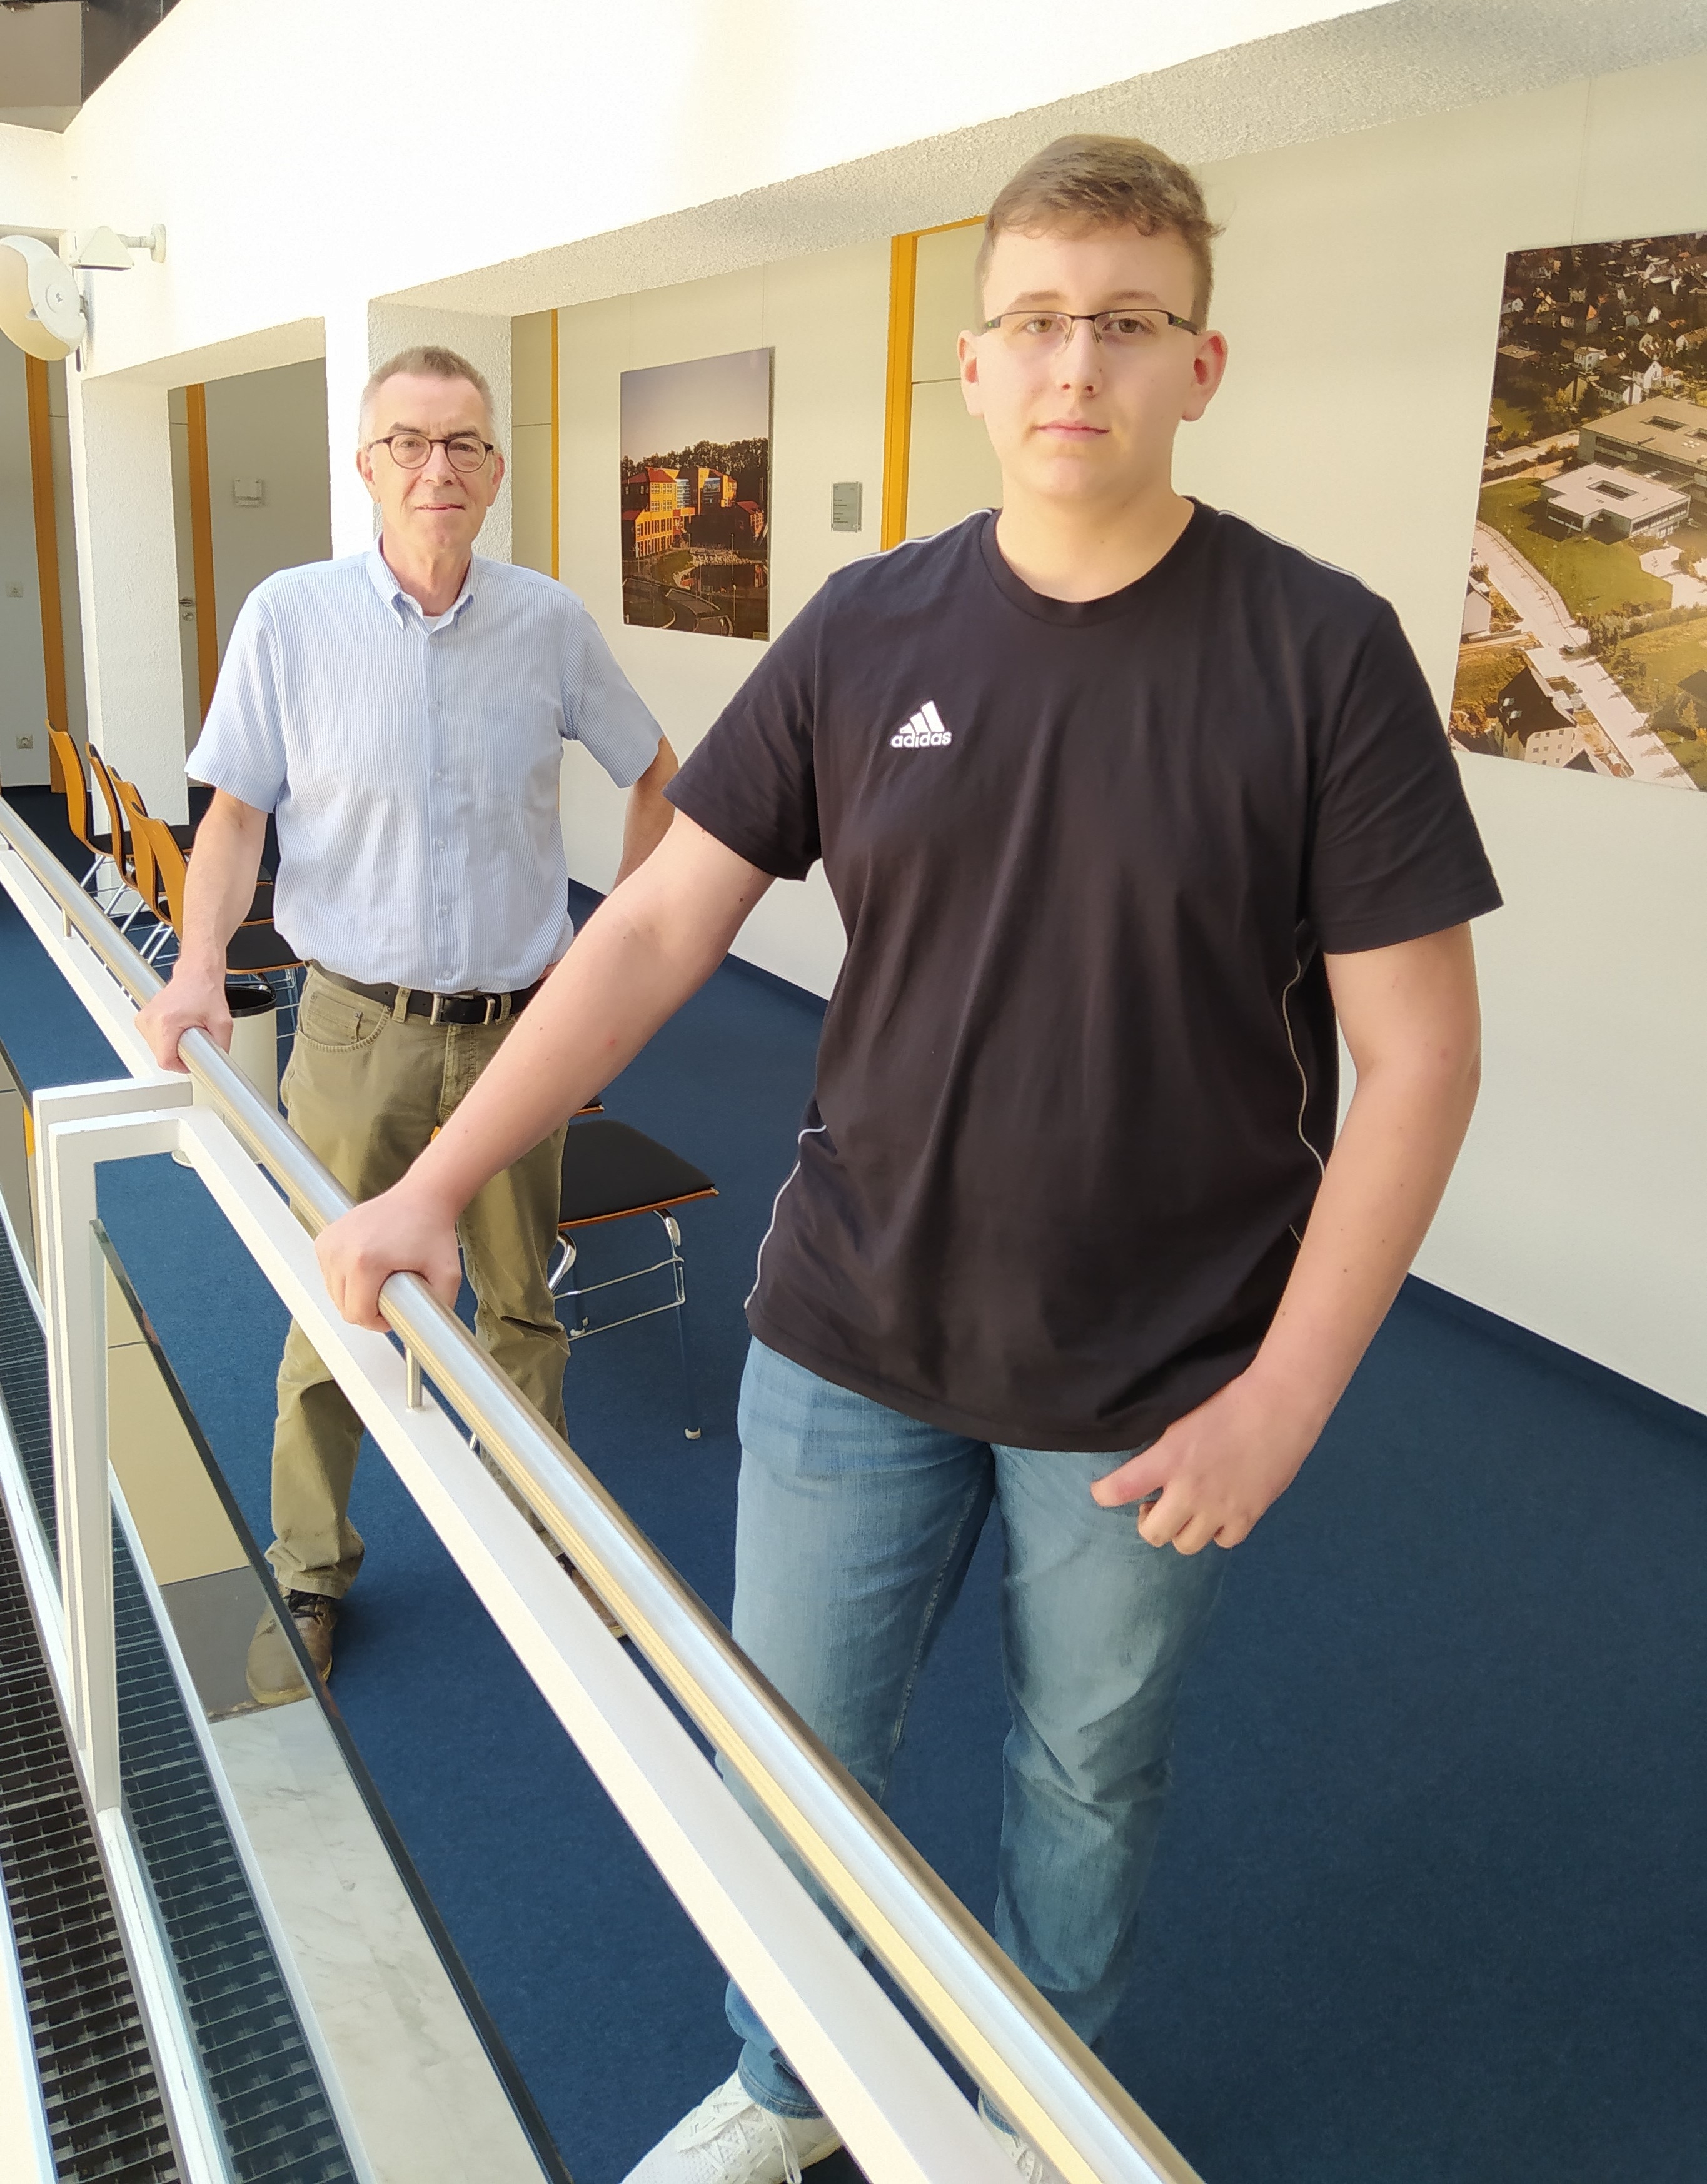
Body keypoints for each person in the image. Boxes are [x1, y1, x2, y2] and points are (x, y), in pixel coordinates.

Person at [314, 139, 1500, 2183]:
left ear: (1199, 362)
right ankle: (792, 2087)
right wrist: (436, 1181)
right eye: (1038, 318)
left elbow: (1418, 1058)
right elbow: (660, 928)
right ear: (973, 366)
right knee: (793, 1762)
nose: (1079, 361)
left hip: (1154, 1376)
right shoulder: (871, 630)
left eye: (1126, 320)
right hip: (851, 1325)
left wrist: (1286, 1396)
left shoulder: (1320, 651)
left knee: (1087, 1775)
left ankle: (1042, 2114)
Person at [138, 343, 676, 1703]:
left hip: (518, 1034)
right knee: (341, 1304)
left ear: (495, 471)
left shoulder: (549, 623)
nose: (439, 469)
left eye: (465, 446)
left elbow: (658, 774)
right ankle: (312, 1568)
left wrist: (622, 951)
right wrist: (200, 964)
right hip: (354, 1030)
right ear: (365, 464)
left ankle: (546, 1538)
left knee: (520, 1309)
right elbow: (238, 811)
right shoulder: (290, 616)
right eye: (409, 444)